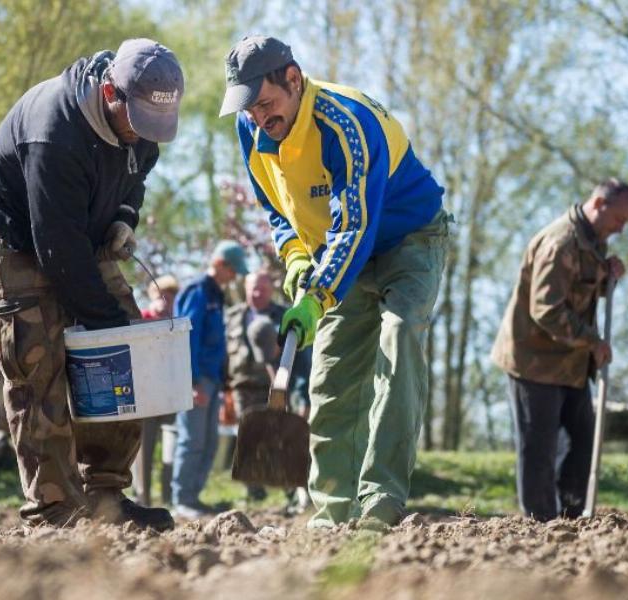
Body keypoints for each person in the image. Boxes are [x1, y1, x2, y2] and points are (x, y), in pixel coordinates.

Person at [220, 35, 451, 528]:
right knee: (330, 376)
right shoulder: (250, 129)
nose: (260, 118)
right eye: (250, 108)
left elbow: (355, 225)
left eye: (267, 103)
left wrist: (318, 295)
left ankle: (380, 501)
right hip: (339, 250)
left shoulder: (345, 123)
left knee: (399, 335)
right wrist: (297, 257)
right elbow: (275, 208)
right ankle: (331, 510)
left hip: (407, 239)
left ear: (294, 80)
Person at [0, 38, 184, 531]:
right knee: (37, 355)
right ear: (110, 91)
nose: (141, 136)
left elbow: (136, 175)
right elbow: (56, 250)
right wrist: (98, 320)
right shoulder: (54, 130)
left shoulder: (143, 121)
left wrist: (125, 216)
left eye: (153, 128)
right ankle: (55, 505)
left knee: (128, 348)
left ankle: (106, 494)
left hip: (78, 226)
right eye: (136, 123)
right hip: (9, 233)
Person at [491, 179, 628, 521]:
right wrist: (593, 341)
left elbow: (579, 289)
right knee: (538, 450)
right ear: (598, 204)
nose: (621, 229)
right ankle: (540, 525)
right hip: (535, 361)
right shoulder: (561, 243)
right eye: (619, 220)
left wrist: (607, 276)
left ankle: (572, 520)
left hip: (570, 364)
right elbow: (547, 311)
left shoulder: (592, 240)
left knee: (581, 442)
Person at [171, 240, 248, 519]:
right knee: (192, 440)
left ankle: (195, 497)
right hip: (197, 377)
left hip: (212, 378)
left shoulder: (216, 294)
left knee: (209, 442)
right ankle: (183, 499)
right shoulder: (198, 291)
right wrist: (190, 382)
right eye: (233, 270)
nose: (235, 277)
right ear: (219, 264)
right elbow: (186, 336)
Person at [224, 270, 286, 501]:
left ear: (271, 290)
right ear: (245, 290)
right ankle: (254, 490)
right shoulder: (232, 316)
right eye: (253, 289)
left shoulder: (283, 315)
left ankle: (288, 488)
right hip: (242, 385)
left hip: (273, 385)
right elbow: (224, 352)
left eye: (262, 289)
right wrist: (223, 387)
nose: (257, 293)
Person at [132, 273, 180, 505]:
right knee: (144, 452)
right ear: (151, 297)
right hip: (146, 397)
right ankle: (143, 499)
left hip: (171, 396)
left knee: (171, 451)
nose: (164, 302)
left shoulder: (178, 325)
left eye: (169, 298)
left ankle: (170, 497)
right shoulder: (139, 321)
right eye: (159, 297)